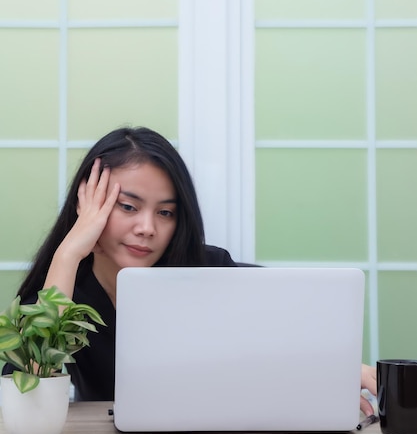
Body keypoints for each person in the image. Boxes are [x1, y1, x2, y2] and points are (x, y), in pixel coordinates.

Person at [2, 126, 376, 413]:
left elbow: (286, 318)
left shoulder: (208, 268)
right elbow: (26, 392)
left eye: (165, 212)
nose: (147, 227)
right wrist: (68, 253)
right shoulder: (66, 287)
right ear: (89, 207)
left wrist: (332, 367)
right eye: (128, 207)